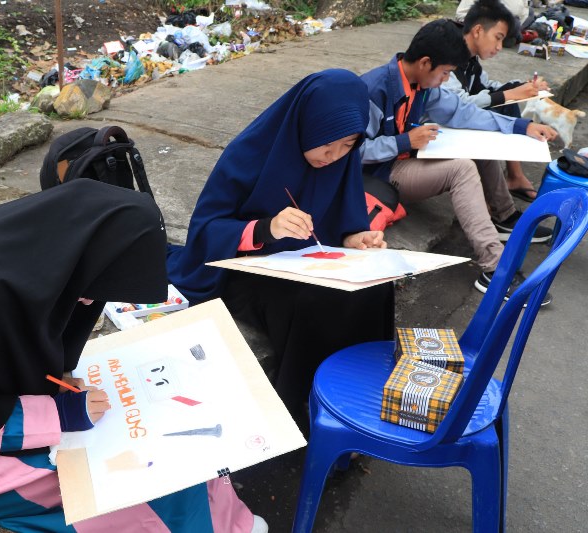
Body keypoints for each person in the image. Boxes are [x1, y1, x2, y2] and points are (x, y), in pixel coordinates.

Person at [0, 179, 267, 533]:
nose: (89, 302)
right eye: (92, 290)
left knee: (193, 450)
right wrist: (59, 414)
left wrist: (56, 378)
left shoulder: (43, 254)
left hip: (2, 423)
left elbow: (24, 349)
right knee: (149, 479)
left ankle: (230, 522)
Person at [166, 70, 395, 424]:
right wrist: (265, 227)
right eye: (327, 144)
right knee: (311, 303)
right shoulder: (250, 153)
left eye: (348, 145)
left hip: (308, 264)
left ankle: (363, 400)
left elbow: (344, 219)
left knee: (374, 286)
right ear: (305, 124)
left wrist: (356, 238)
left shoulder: (341, 158)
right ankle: (302, 409)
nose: (333, 156)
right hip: (245, 270)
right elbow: (206, 231)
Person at [359, 18, 556, 303]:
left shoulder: (425, 86)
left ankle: (504, 215)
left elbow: (464, 113)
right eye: (445, 73)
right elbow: (354, 151)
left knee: (478, 141)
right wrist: (405, 141)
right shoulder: (374, 89)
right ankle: (496, 269)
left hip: (409, 156)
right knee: (461, 168)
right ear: (426, 63)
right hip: (381, 174)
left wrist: (520, 126)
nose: (445, 81)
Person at [444, 0, 549, 202]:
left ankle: (515, 176)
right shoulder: (448, 55)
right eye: (497, 38)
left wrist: (523, 87)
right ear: (477, 31)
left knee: (506, 103)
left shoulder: (470, 57)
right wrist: (510, 94)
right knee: (502, 105)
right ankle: (500, 199)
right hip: (436, 126)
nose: (500, 47)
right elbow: (455, 105)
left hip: (455, 116)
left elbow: (486, 86)